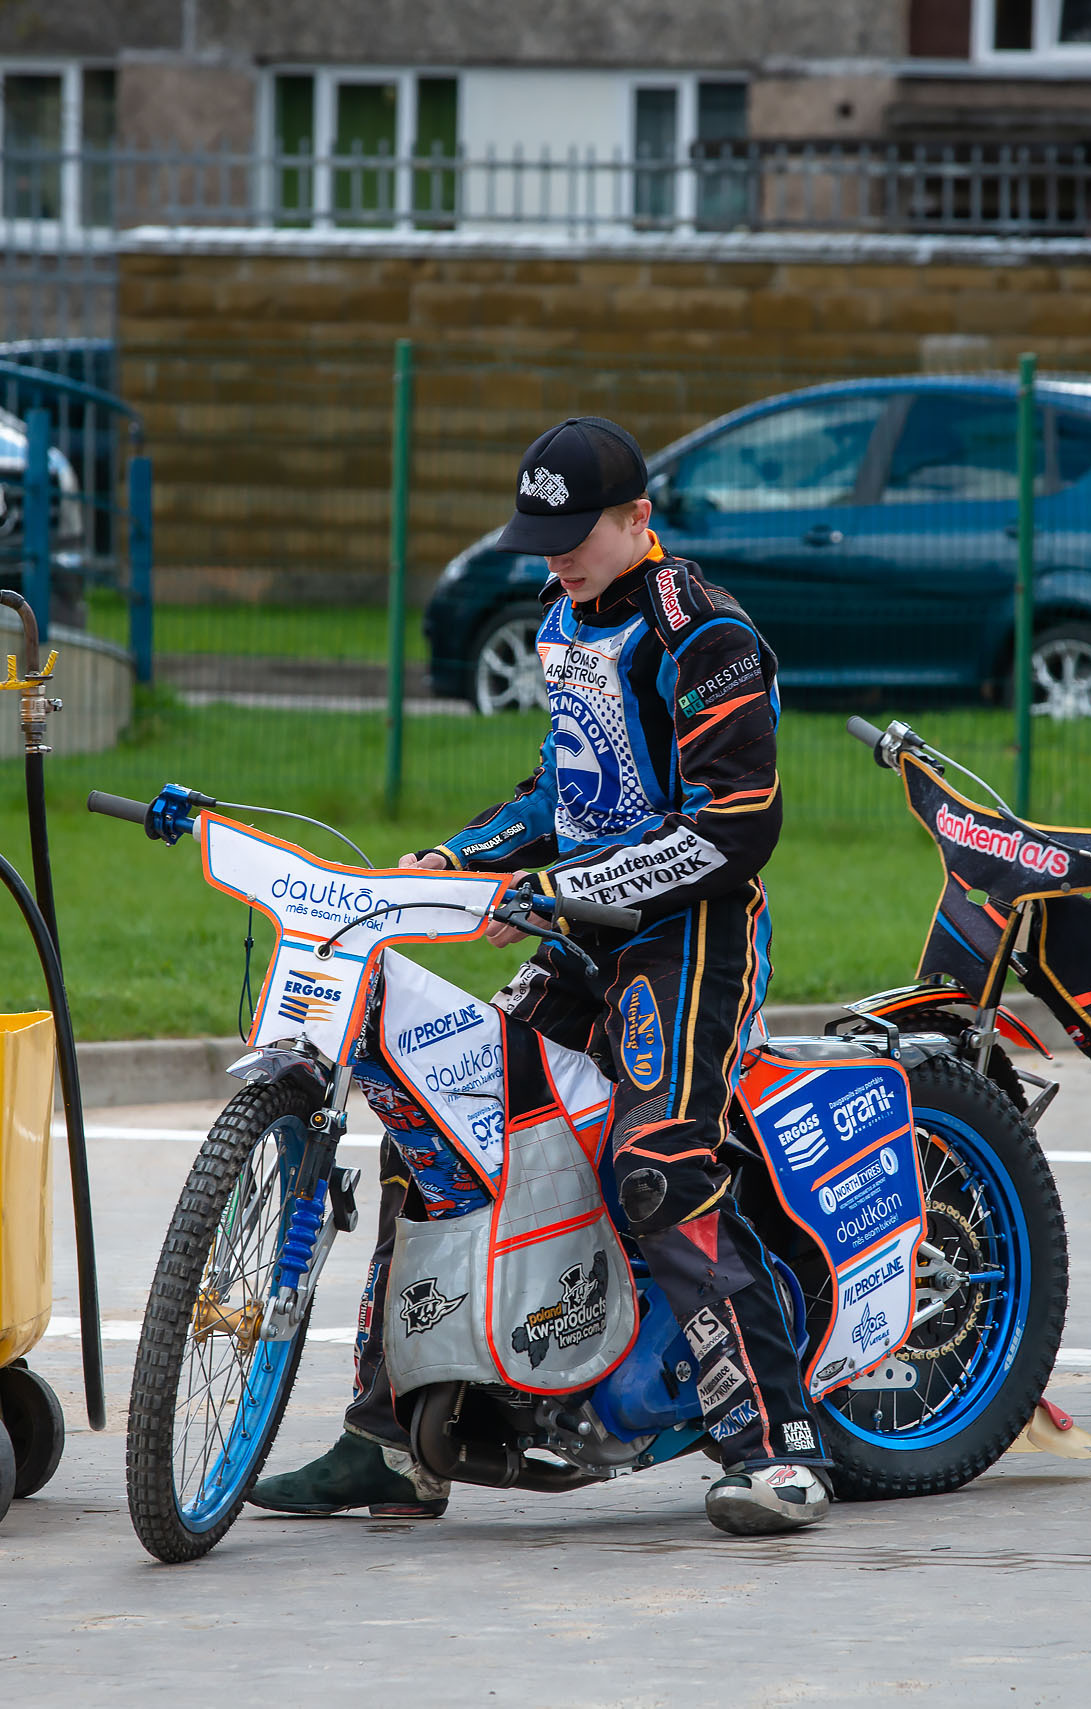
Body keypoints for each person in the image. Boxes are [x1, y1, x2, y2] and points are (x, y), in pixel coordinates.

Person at [249, 415, 830, 1535]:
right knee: (437, 1125)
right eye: (541, 533)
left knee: (658, 1162)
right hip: (583, 931)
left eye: (576, 532)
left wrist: (578, 884)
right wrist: (457, 859)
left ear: (639, 520)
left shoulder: (707, 637)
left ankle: (777, 1447)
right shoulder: (565, 615)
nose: (553, 555)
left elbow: (735, 828)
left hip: (688, 937)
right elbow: (560, 791)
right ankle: (390, 1440)